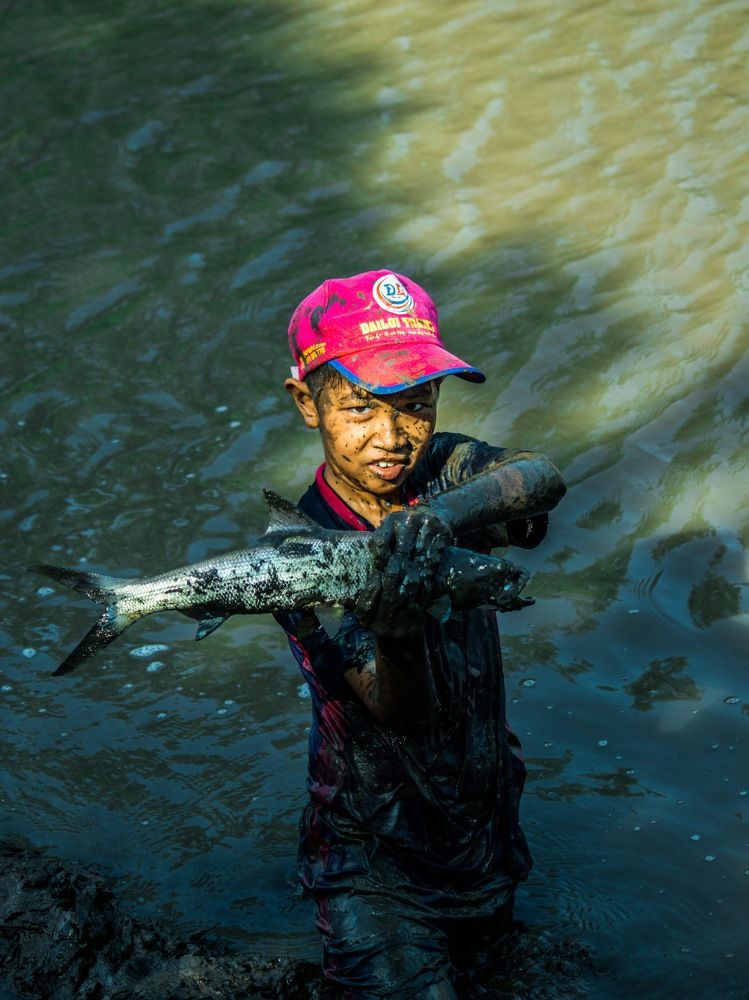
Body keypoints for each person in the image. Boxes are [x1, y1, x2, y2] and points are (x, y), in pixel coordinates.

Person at [274, 270, 566, 999]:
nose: (391, 436)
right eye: (359, 409)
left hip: (483, 823)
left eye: (415, 406)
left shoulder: (443, 472)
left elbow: (539, 477)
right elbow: (400, 711)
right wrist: (396, 631)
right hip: (375, 854)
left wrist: (437, 518)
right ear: (307, 403)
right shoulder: (298, 555)